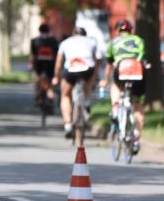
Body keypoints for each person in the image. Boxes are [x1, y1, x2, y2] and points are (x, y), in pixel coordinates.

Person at [99, 19, 146, 153]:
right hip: (138, 72)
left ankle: (115, 108)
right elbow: (142, 57)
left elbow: (109, 64)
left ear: (118, 30)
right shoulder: (139, 40)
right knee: (138, 107)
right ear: (131, 30)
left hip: (121, 70)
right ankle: (136, 139)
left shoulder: (113, 42)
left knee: (116, 86)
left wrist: (105, 80)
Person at [52, 26, 100, 138]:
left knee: (65, 96)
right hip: (87, 69)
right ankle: (87, 102)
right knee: (89, 81)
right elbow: (96, 60)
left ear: (73, 34)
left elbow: (59, 63)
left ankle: (68, 125)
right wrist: (95, 75)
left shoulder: (65, 43)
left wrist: (56, 77)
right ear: (85, 35)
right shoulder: (91, 42)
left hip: (70, 70)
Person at [30, 23, 58, 105]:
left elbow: (33, 54)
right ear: (48, 30)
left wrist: (31, 64)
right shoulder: (53, 40)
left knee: (37, 77)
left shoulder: (34, 40)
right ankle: (50, 93)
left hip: (39, 63)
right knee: (50, 79)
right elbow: (56, 54)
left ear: (39, 30)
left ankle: (38, 93)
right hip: (51, 63)